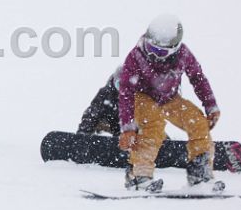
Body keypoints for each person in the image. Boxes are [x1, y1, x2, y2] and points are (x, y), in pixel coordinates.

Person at [117, 14, 222, 191]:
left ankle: (200, 174)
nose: (153, 54)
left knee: (197, 122)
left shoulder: (183, 55)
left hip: (169, 99)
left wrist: (210, 105)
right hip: (142, 97)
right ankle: (139, 175)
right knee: (154, 124)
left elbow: (198, 78)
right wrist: (128, 128)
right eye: (151, 48)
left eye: (160, 52)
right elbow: (126, 91)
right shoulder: (136, 56)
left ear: (174, 49)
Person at [77, 66, 122, 136]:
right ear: (114, 83)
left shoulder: (136, 97)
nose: (123, 90)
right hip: (111, 124)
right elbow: (93, 112)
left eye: (127, 86)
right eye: (119, 85)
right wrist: (83, 133)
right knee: (97, 119)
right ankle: (100, 136)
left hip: (127, 130)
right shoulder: (106, 93)